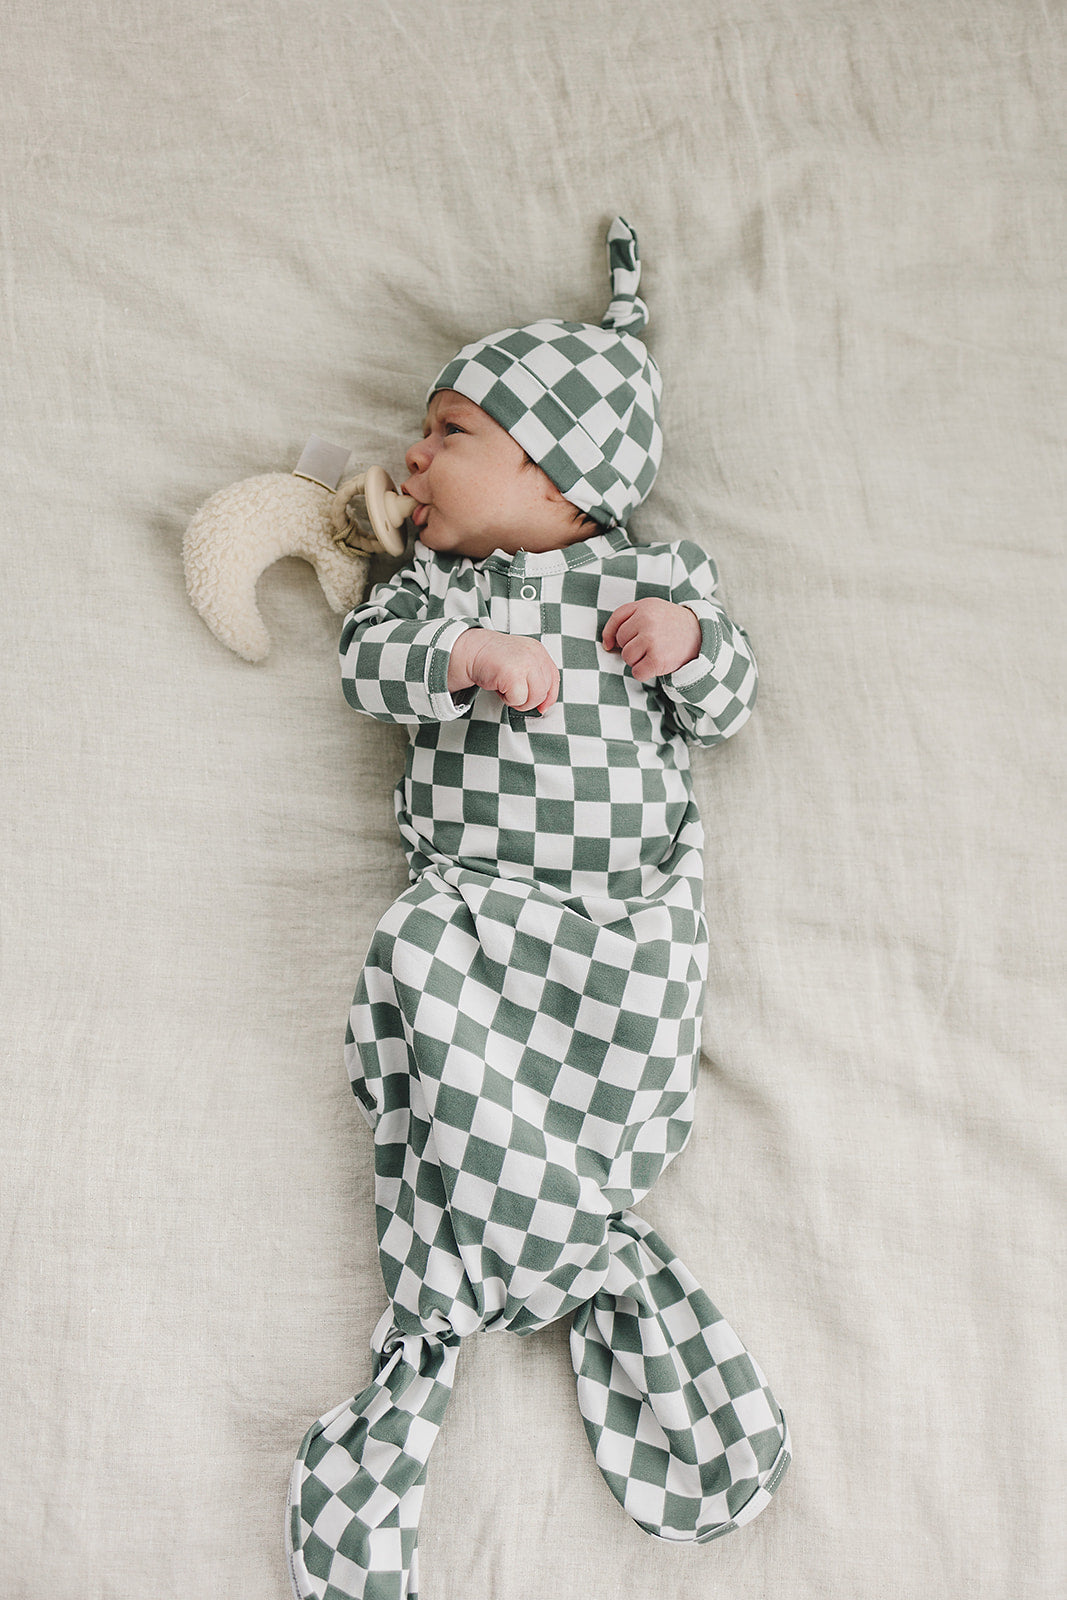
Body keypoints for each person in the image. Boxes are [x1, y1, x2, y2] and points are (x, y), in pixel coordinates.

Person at [287, 219, 790, 1600]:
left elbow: (735, 698)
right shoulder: (432, 593)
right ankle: (451, 1316)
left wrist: (688, 651)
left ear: (563, 469)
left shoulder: (654, 580)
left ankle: (582, 1255)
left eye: (449, 430)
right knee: (419, 978)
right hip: (479, 907)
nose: (412, 458)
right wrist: (463, 650)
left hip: (627, 931)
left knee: (618, 1096)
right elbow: (368, 669)